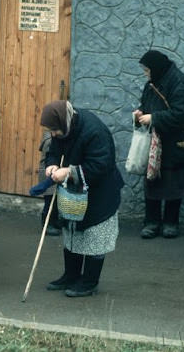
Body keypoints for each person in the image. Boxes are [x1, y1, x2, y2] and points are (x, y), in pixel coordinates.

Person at [41, 100, 124, 297]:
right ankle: (70, 276)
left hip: (101, 193)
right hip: (75, 194)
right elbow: (54, 151)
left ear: (63, 123)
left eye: (54, 130)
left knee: (95, 237)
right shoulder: (63, 128)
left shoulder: (95, 131)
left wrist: (69, 172)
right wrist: (52, 165)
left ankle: (89, 282)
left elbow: (100, 165)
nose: (52, 134)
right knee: (72, 232)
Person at [132, 50, 184, 239]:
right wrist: (140, 114)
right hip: (156, 142)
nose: (146, 74)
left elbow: (182, 113)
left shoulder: (178, 83)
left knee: (174, 182)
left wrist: (153, 117)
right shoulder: (152, 83)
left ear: (156, 68)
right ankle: (151, 222)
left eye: (147, 70)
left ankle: (171, 222)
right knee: (152, 179)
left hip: (175, 142)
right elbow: (145, 104)